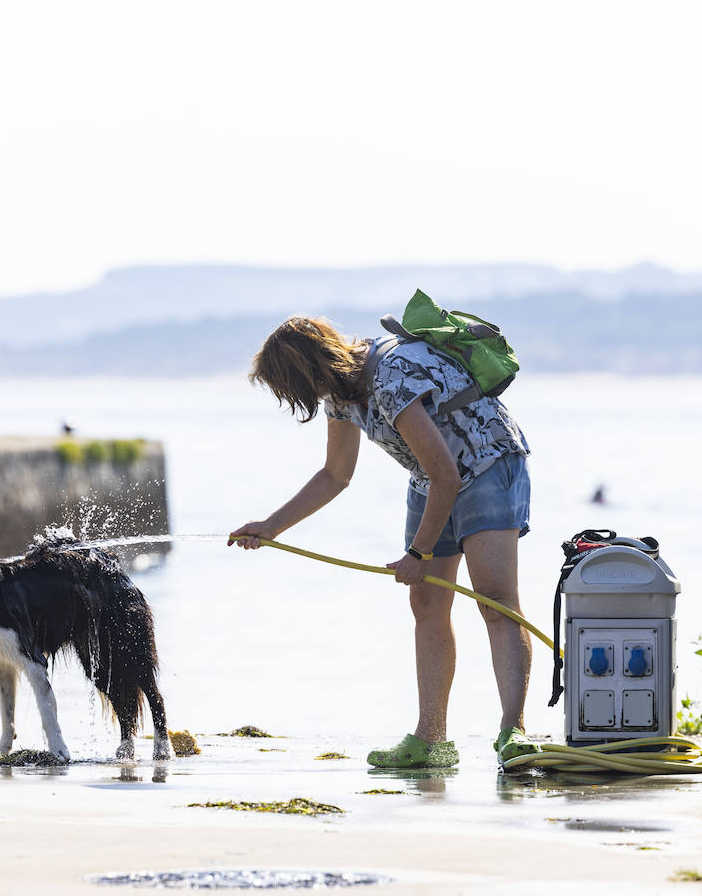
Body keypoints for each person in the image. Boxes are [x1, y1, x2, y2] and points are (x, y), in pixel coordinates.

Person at [229, 315, 541, 769]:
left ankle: (514, 732)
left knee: (495, 601)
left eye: (298, 386)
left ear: (312, 368)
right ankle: (431, 739)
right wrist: (271, 526)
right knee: (427, 604)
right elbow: (336, 474)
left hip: (486, 462)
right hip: (431, 477)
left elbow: (448, 476)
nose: (307, 398)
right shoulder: (339, 390)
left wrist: (419, 552)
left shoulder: (391, 376)